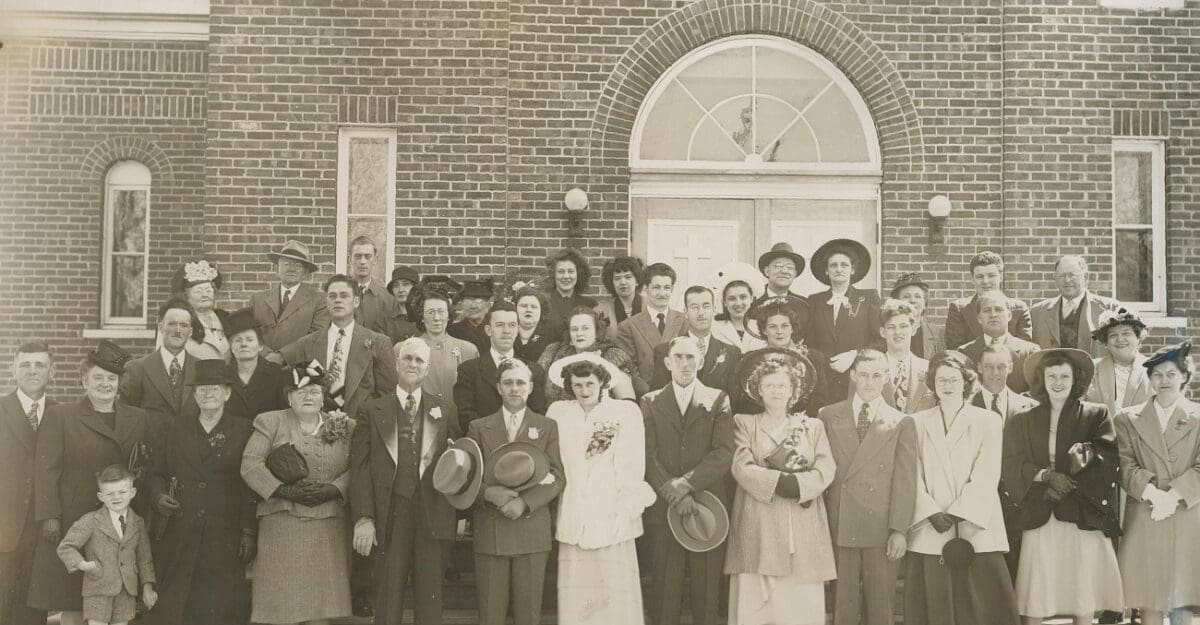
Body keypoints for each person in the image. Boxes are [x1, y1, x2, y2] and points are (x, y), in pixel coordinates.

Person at [30, 341, 151, 625]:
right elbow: (46, 470)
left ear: (120, 383)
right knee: (75, 598)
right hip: (76, 521)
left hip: (118, 524)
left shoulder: (139, 418)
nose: (105, 384)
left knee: (117, 598)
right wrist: (49, 515)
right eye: (98, 377)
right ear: (84, 379)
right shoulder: (61, 415)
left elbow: (146, 466)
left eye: (111, 378)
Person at [1002, 348, 1123, 625]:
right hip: (1040, 511)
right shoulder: (1023, 418)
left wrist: (1070, 481)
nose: (1058, 382)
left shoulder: (1096, 415)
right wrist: (1045, 477)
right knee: (1037, 590)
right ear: (1041, 379)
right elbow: (1011, 463)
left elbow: (1107, 457)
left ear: (1075, 379)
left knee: (1081, 590)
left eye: (1064, 376)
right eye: (1051, 376)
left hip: (1080, 513)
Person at [350, 338, 461, 625]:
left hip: (432, 515)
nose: (413, 364)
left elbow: (458, 464)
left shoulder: (445, 410)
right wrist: (364, 517)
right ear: (397, 364)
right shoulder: (372, 410)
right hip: (391, 513)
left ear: (427, 369)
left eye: (419, 361)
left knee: (430, 599)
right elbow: (359, 469)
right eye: (408, 358)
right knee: (387, 595)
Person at [906, 350, 1018, 625]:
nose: (947, 386)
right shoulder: (916, 422)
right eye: (941, 380)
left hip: (975, 525)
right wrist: (930, 512)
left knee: (981, 606)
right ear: (932, 384)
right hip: (932, 526)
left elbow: (988, 472)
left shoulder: (988, 420)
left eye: (953, 379)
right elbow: (912, 472)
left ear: (967, 382)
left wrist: (959, 512)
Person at [725, 349, 836, 625]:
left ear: (793, 391)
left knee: (799, 606)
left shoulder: (812, 426)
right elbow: (741, 466)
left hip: (801, 522)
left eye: (782, 385)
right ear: (758, 391)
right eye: (769, 385)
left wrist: (797, 485)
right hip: (758, 521)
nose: (776, 391)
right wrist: (777, 482)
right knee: (757, 607)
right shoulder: (744, 423)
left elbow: (826, 469)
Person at [141, 359, 255, 625]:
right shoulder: (174, 428)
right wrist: (158, 497)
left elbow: (250, 485)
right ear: (193, 394)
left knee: (220, 607)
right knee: (178, 605)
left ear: (227, 393)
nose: (208, 393)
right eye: (202, 388)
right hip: (180, 533)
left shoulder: (244, 429)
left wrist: (248, 531)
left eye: (215, 388)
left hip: (224, 535)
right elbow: (154, 473)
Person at [241, 364, 356, 625]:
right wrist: (285, 491)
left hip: (327, 528)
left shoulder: (345, 426)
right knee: (281, 608)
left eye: (314, 391)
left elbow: (358, 468)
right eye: (300, 391)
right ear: (289, 396)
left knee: (320, 610)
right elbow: (250, 465)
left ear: (324, 395)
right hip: (282, 526)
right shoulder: (270, 422)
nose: (307, 397)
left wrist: (334, 489)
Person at [548, 357, 655, 625]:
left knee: (613, 595)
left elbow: (632, 464)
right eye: (577, 385)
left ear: (603, 383)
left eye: (590, 384)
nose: (584, 391)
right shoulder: (559, 412)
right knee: (578, 595)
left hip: (612, 513)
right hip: (574, 511)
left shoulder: (623, 413)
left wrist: (626, 510)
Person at [819, 349, 918, 625]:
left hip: (881, 527)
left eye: (876, 375)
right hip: (841, 522)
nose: (870, 382)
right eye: (863, 375)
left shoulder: (901, 422)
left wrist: (899, 529)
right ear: (852, 376)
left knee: (881, 607)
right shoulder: (827, 415)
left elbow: (905, 481)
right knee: (843, 608)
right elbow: (821, 473)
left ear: (886, 377)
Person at [640, 336, 734, 625]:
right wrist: (672, 490)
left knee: (706, 590)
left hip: (707, 505)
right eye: (678, 357)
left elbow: (723, 452)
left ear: (701, 361)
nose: (685, 363)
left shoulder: (718, 398)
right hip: (664, 508)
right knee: (666, 588)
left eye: (691, 357)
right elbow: (646, 453)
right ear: (667, 362)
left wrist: (686, 485)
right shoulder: (651, 401)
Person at [465, 359, 565, 625]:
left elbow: (556, 476)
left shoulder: (547, 426)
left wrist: (525, 503)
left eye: (521, 382)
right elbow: (467, 476)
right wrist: (487, 494)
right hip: (491, 527)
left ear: (531, 387)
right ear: (498, 387)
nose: (514, 388)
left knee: (528, 615)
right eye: (508, 382)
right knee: (491, 615)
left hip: (531, 531)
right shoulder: (478, 426)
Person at [1114, 341, 1200, 625]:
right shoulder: (1127, 418)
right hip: (1146, 511)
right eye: (1158, 375)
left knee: (1183, 598)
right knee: (1148, 597)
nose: (1164, 381)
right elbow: (1124, 465)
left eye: (1171, 374)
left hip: (1187, 510)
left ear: (1185, 377)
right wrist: (1153, 494)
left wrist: (1173, 496)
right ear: (1149, 379)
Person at [278, 274, 398, 418]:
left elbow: (387, 395)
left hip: (362, 426)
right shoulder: (308, 343)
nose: (338, 300)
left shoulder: (378, 342)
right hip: (317, 425)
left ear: (356, 301)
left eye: (344, 295)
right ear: (327, 303)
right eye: (332, 296)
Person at [55, 465, 157, 625]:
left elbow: (144, 558)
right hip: (98, 589)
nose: (116, 497)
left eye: (122, 492)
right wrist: (83, 564)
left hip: (126, 592)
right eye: (110, 493)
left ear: (132, 493)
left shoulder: (138, 523)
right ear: (101, 496)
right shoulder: (91, 520)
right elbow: (65, 547)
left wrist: (147, 587)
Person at [971, 343, 1039, 580]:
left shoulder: (1029, 407)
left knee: (1015, 569)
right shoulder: (965, 405)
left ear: (1011, 367)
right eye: (988, 367)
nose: (995, 373)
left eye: (1001, 366)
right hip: (977, 500)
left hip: (1016, 502)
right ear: (979, 367)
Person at [0, 341, 54, 625]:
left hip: (45, 530)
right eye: (25, 365)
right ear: (12, 370)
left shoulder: (62, 414)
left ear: (51, 371)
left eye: (40, 365)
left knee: (34, 612)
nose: (33, 371)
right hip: (4, 528)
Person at [806, 239, 883, 402]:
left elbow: (880, 341)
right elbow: (810, 343)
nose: (839, 269)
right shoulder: (815, 301)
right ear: (826, 270)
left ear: (853, 269)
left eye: (844, 265)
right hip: (823, 384)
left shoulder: (868, 298)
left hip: (857, 382)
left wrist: (856, 354)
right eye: (833, 265)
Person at [455, 300, 549, 430]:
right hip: (484, 443)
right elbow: (466, 416)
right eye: (499, 325)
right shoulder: (469, 371)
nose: (506, 331)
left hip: (521, 445)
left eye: (512, 325)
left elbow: (538, 415)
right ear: (488, 330)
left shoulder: (534, 370)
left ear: (517, 330)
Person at [735, 296, 828, 416]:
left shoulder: (813, 357)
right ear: (764, 330)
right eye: (772, 326)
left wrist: (798, 422)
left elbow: (820, 399)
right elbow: (745, 400)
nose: (779, 331)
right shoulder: (751, 359)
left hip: (800, 424)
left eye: (785, 326)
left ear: (792, 328)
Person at [120, 298, 201, 427]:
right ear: (161, 327)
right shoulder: (136, 369)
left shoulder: (201, 369)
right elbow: (126, 418)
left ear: (190, 332)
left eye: (184, 325)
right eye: (172, 324)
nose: (178, 331)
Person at [649, 286, 742, 396]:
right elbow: (657, 398)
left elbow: (733, 399)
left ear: (714, 310)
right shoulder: (665, 351)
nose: (701, 312)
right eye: (694, 307)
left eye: (706, 306)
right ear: (685, 312)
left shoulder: (732, 353)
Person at [539, 306, 640, 402]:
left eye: (585, 328)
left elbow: (628, 403)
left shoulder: (612, 356)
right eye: (574, 329)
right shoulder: (555, 352)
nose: (579, 333)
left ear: (597, 332)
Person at [1029, 256, 1121, 358]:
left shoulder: (1109, 309)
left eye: (1072, 275)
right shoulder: (1037, 312)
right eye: (1061, 276)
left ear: (1085, 277)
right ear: (1055, 279)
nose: (1067, 280)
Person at [249, 240, 329, 352]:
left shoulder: (319, 301)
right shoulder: (257, 300)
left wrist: (283, 356)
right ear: (276, 269)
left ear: (305, 273)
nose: (291, 269)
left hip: (298, 366)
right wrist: (264, 354)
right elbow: (249, 332)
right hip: (262, 364)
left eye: (298, 265)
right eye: (286, 263)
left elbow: (316, 337)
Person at [858, 299, 935, 414]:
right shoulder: (869, 368)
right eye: (891, 327)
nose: (897, 332)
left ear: (913, 329)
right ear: (883, 332)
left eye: (903, 326)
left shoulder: (929, 368)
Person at [616, 262, 686, 387]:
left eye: (667, 288)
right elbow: (629, 370)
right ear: (646, 289)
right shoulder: (628, 326)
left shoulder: (683, 321)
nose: (662, 293)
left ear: (672, 289)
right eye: (656, 287)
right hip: (646, 396)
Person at [944, 251, 1032, 350]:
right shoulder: (959, 309)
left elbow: (1024, 350)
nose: (986, 281)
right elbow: (955, 352)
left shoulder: (1019, 309)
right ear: (972, 279)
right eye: (980, 277)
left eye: (991, 275)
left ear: (1001, 277)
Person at [957, 291, 1040, 394]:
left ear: (1009, 315)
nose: (993, 315)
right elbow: (962, 392)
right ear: (979, 318)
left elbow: (1037, 393)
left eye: (999, 310)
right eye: (987, 310)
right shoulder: (964, 353)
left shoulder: (1030, 352)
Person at [224, 307, 289, 420]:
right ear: (231, 347)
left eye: (249, 340)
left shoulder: (276, 374)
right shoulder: (223, 375)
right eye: (238, 340)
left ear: (260, 346)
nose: (243, 344)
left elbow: (284, 414)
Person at [413, 288, 479, 399]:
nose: (436, 318)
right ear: (422, 317)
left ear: (448, 316)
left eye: (441, 312)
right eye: (430, 312)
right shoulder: (408, 348)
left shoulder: (468, 350)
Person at [1086, 308, 1151, 415]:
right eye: (1113, 335)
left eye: (1126, 333)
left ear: (1138, 338)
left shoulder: (1154, 369)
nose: (1120, 339)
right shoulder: (1091, 368)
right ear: (1106, 342)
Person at [171, 259, 231, 360]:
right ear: (187, 297)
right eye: (198, 291)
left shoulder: (225, 319)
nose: (205, 295)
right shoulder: (177, 322)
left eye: (208, 290)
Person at [347, 235, 396, 335]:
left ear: (375, 260)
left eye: (368, 256)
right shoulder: (337, 294)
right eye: (358, 256)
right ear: (349, 259)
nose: (362, 262)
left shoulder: (388, 298)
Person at [890, 273, 945, 359]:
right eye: (906, 296)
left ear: (924, 304)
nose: (912, 300)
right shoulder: (888, 331)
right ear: (897, 302)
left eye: (917, 296)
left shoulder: (939, 334)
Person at [545, 249, 598, 331]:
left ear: (578, 274)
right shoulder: (543, 303)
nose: (566, 276)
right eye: (561, 272)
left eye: (571, 271)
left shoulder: (590, 304)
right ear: (553, 274)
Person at [595, 255, 645, 342]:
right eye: (617, 278)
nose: (622, 282)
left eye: (628, 277)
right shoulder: (601, 311)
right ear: (612, 283)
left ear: (637, 280)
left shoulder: (650, 306)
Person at [711, 278, 767, 354]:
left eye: (743, 297)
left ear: (751, 299)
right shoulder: (714, 329)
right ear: (724, 302)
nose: (738, 303)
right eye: (732, 299)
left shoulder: (764, 327)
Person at [449, 280, 496, 354]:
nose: (473, 306)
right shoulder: (452, 331)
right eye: (468, 301)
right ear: (462, 306)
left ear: (487, 307)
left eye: (478, 301)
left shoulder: (495, 330)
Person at [512, 287, 555, 363]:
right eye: (524, 306)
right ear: (515, 308)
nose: (529, 309)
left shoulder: (552, 334)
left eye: (534, 307)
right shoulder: (507, 330)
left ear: (542, 311)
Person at [383, 266, 421, 344]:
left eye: (406, 284)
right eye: (396, 285)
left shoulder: (425, 317)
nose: (400, 290)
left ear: (415, 289)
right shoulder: (383, 320)